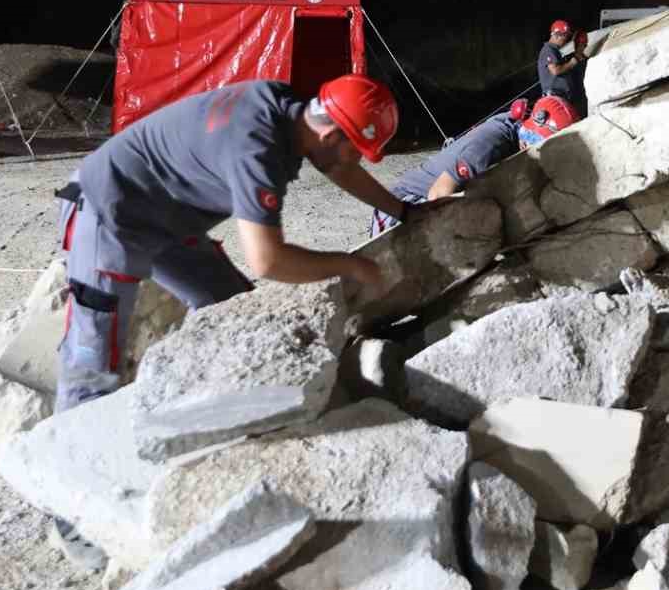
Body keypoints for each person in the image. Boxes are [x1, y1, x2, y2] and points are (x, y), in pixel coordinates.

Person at [53, 74, 409, 413]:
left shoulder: (287, 108)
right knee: (93, 360)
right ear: (331, 135)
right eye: (357, 150)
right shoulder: (257, 150)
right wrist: (350, 265)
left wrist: (404, 211)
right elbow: (268, 261)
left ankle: (192, 402)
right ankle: (66, 455)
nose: (357, 159)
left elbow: (338, 166)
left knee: (231, 309)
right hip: (106, 209)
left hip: (164, 218)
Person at [373, 95, 579, 235]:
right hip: (402, 207)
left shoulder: (518, 131)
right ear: (532, 131)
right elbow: (438, 194)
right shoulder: (490, 144)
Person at [538, 19, 589, 112]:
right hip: (555, 97)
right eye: (564, 37)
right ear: (556, 35)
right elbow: (555, 70)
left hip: (562, 96)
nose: (565, 40)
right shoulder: (548, 50)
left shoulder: (556, 51)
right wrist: (571, 63)